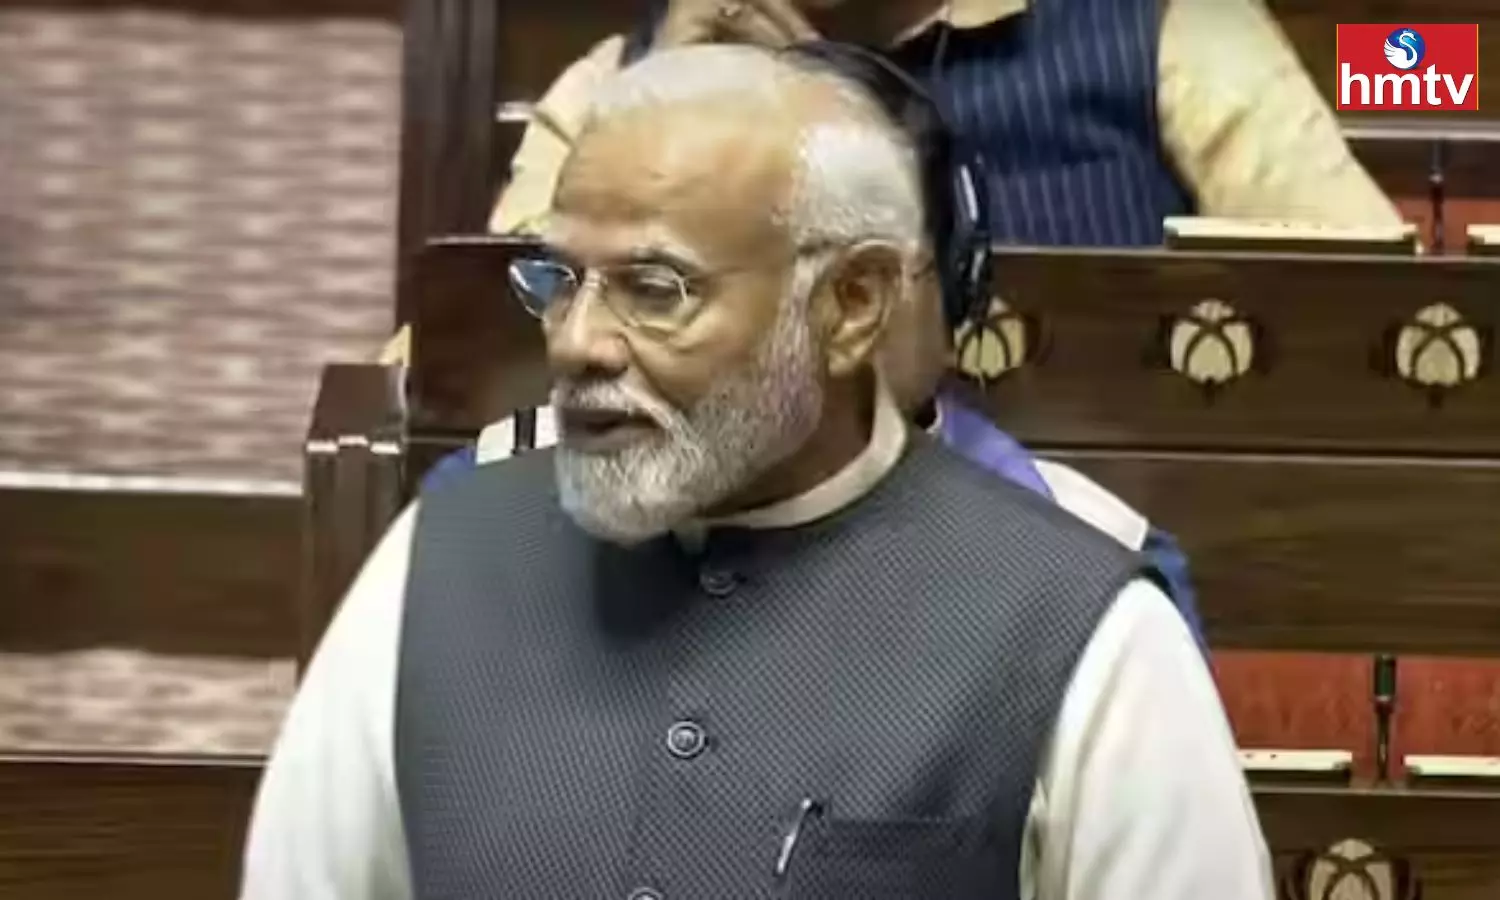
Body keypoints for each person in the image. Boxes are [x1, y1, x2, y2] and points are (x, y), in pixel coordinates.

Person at [245, 44, 1270, 899]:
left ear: (852, 305)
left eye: (655, 288)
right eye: (559, 279)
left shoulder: (1085, 634)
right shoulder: (434, 566)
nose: (578, 342)